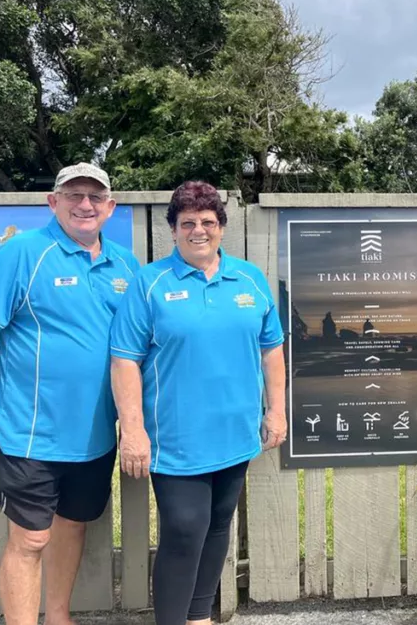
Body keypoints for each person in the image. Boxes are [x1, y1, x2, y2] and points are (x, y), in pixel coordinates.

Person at [0, 163, 140, 625]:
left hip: (97, 433)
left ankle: (58, 617)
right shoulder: (23, 253)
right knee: (31, 540)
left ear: (110, 207)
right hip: (31, 432)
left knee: (72, 525)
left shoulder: (125, 264)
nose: (85, 204)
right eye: (73, 194)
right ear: (52, 202)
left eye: (96, 197)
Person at [109, 181, 288, 625]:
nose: (198, 231)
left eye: (208, 222)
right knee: (184, 531)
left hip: (236, 433)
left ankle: (198, 617)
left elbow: (272, 350)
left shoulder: (249, 279)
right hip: (175, 439)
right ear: (174, 230)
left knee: (218, 526)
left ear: (221, 228)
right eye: (187, 223)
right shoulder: (150, 285)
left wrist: (277, 410)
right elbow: (124, 360)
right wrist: (132, 429)